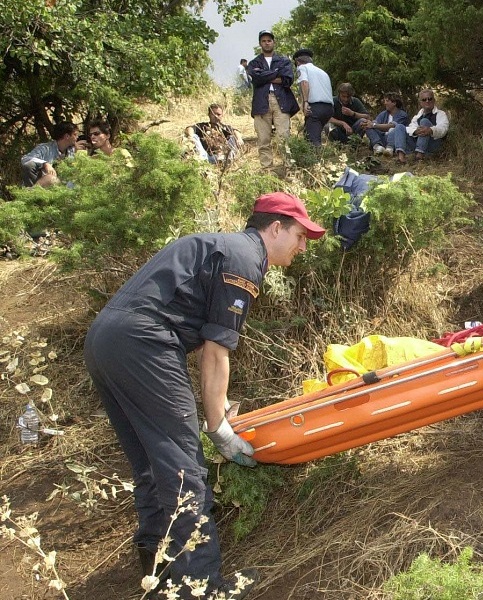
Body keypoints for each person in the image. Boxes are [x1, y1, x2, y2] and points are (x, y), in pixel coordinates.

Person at [83, 192, 325, 598]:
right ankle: (201, 588)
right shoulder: (244, 259)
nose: (303, 247)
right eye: (300, 236)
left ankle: (158, 572)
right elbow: (215, 352)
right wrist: (220, 429)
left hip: (106, 340)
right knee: (184, 469)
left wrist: (218, 406)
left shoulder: (220, 246)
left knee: (152, 462)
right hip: (145, 343)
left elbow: (202, 340)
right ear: (275, 228)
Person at [247, 30, 299, 172]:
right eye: (263, 41)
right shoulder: (254, 62)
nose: (267, 43)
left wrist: (264, 76)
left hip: (281, 101)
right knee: (263, 139)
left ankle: (289, 168)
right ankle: (267, 170)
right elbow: (256, 78)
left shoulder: (284, 61)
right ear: (260, 43)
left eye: (269, 40)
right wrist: (276, 73)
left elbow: (287, 79)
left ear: (273, 42)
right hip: (261, 102)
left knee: (284, 137)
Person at [388, 89, 449, 163]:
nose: (427, 101)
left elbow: (443, 129)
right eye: (424, 99)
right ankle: (401, 158)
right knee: (399, 127)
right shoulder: (417, 117)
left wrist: (431, 130)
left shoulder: (440, 114)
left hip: (432, 145)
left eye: (430, 99)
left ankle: (419, 156)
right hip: (416, 145)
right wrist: (415, 131)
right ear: (421, 103)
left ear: (434, 100)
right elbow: (410, 128)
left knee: (424, 121)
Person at [20, 121, 85, 187]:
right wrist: (45, 164)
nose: (77, 137)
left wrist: (77, 153)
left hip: (64, 187)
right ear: (67, 136)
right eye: (75, 134)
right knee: (31, 166)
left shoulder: (72, 151)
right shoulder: (45, 148)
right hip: (44, 184)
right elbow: (25, 159)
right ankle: (32, 190)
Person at [293, 49, 334, 147]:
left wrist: (305, 102)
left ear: (297, 62)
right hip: (329, 109)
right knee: (311, 134)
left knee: (312, 140)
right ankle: (320, 153)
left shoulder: (302, 67)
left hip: (315, 108)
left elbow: (304, 82)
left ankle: (318, 156)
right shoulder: (322, 72)